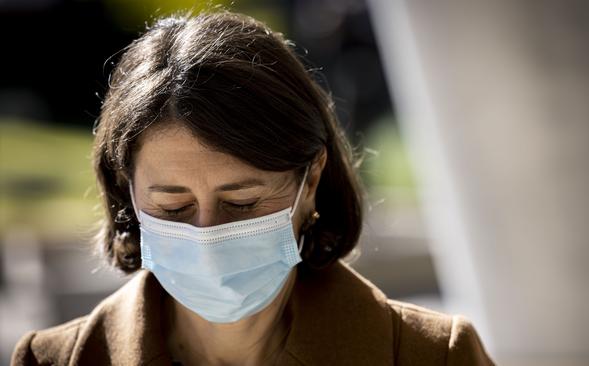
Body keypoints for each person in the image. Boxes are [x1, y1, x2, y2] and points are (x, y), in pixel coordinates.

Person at [11, 10, 494, 366]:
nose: (208, 234)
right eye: (173, 207)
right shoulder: (51, 359)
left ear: (312, 181)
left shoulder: (430, 355)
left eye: (241, 202)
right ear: (127, 192)